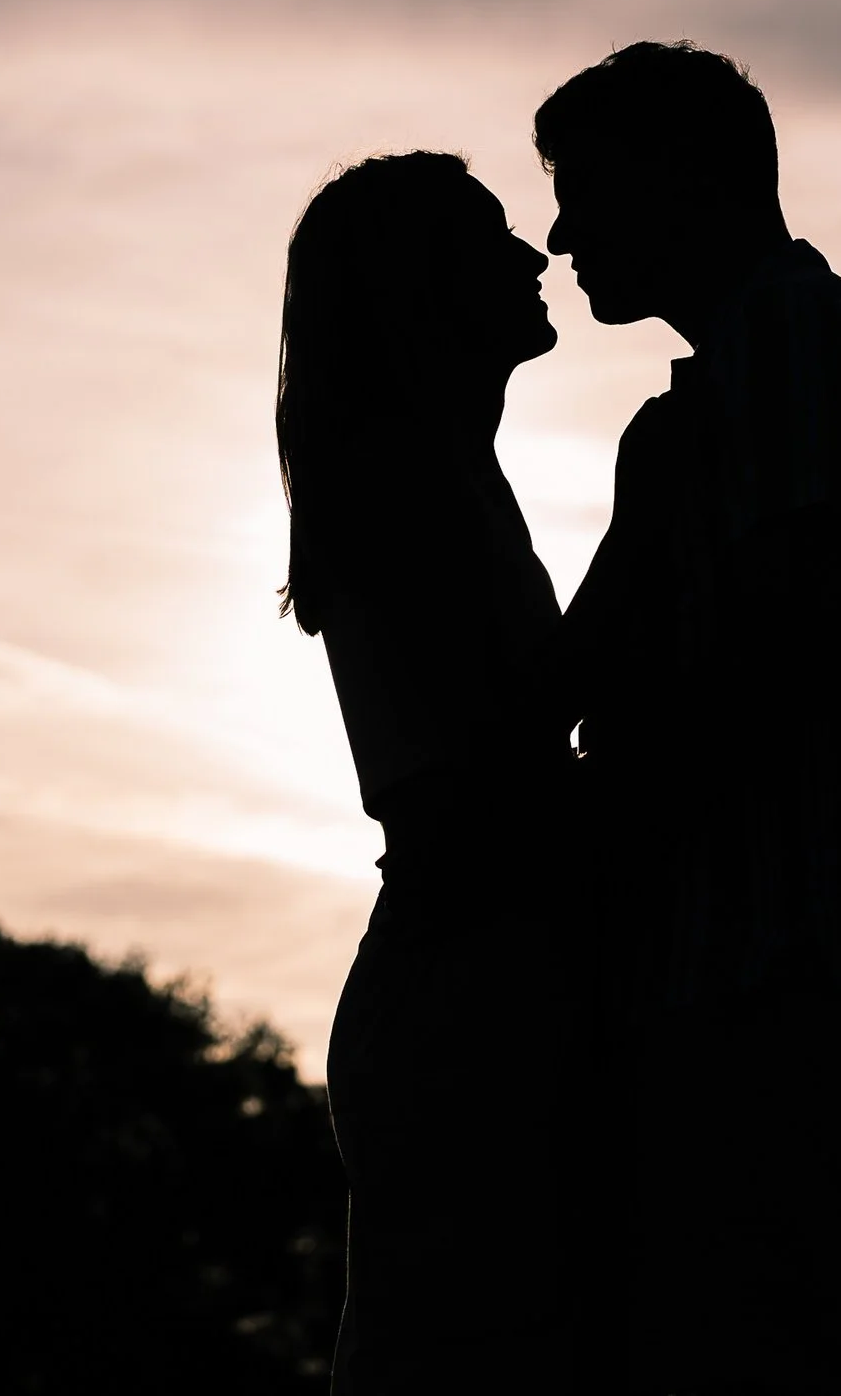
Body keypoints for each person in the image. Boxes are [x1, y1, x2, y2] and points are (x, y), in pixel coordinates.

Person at [537, 42, 841, 1395]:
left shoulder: (791, 342)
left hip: (791, 968)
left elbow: (784, 651)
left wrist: (607, 782)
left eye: (583, 190)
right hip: (769, 971)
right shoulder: (739, 377)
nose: (561, 235)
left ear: (682, 180)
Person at [276, 151, 590, 1390]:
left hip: (468, 976)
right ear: (421, 287)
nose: (531, 254)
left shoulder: (439, 476)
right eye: (487, 238)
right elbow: (477, 783)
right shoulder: (407, 489)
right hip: (471, 991)